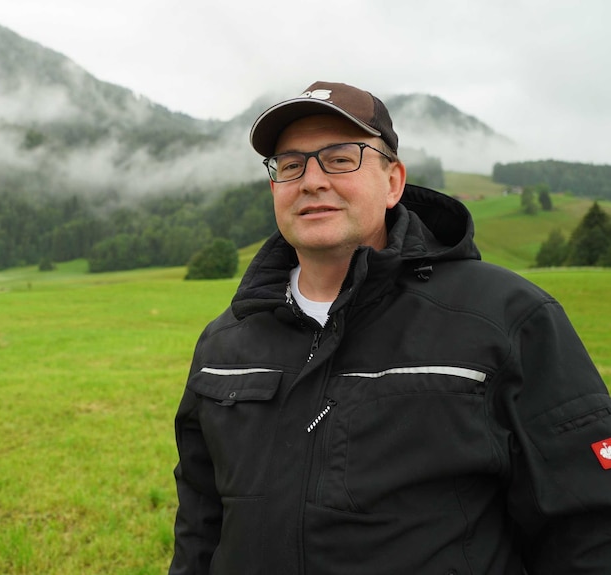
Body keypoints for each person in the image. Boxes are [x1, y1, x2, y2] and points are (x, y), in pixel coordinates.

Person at [168, 81, 611, 575]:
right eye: (290, 165)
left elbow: (588, 528)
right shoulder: (224, 342)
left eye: (341, 158)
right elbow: (200, 526)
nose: (311, 180)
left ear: (394, 182)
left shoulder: (505, 318)